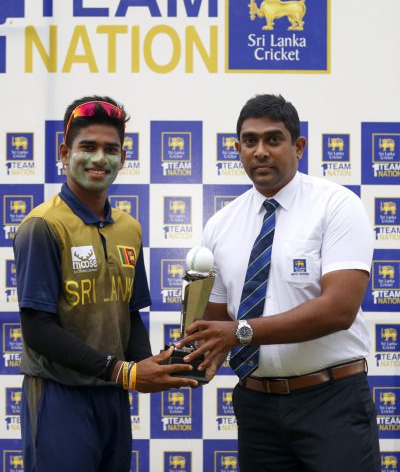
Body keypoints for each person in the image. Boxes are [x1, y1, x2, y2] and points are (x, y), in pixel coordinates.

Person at [177, 94, 380, 471]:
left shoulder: (337, 205)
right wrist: (187, 355)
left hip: (331, 401)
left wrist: (238, 333)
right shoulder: (220, 225)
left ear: (298, 146)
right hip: (256, 407)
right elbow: (217, 323)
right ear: (237, 149)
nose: (260, 151)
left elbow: (338, 310)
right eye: (249, 141)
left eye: (273, 139)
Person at [14, 95, 198, 472]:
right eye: (88, 147)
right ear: (65, 153)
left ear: (123, 158)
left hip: (113, 396)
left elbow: (130, 314)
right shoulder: (42, 225)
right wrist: (124, 372)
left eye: (110, 149)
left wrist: (152, 365)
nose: (99, 158)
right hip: (59, 395)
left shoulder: (129, 228)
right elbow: (37, 329)